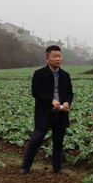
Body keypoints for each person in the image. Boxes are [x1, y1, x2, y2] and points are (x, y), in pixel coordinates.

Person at [19, 45, 73, 176]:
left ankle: (57, 168)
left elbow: (69, 93)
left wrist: (66, 102)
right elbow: (36, 92)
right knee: (36, 140)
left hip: (60, 114)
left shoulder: (65, 75)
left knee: (58, 142)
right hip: (44, 113)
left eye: (59, 56)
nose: (58, 59)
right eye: (54, 56)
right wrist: (51, 101)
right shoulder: (39, 74)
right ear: (47, 58)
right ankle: (25, 167)